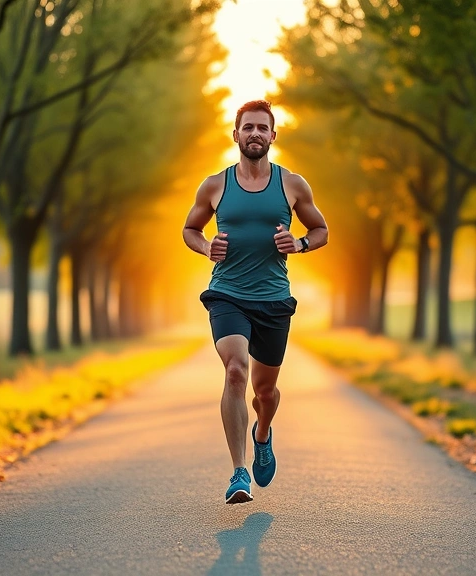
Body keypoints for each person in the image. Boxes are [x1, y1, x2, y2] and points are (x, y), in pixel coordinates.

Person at [182, 100, 329, 504]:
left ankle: (262, 433)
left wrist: (298, 243)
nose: (255, 134)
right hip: (227, 293)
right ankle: (238, 473)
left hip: (273, 300)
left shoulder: (292, 184)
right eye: (248, 127)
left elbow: (321, 230)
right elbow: (190, 229)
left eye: (262, 128)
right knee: (235, 371)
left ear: (273, 136)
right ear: (236, 135)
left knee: (266, 392)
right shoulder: (214, 185)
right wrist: (206, 246)